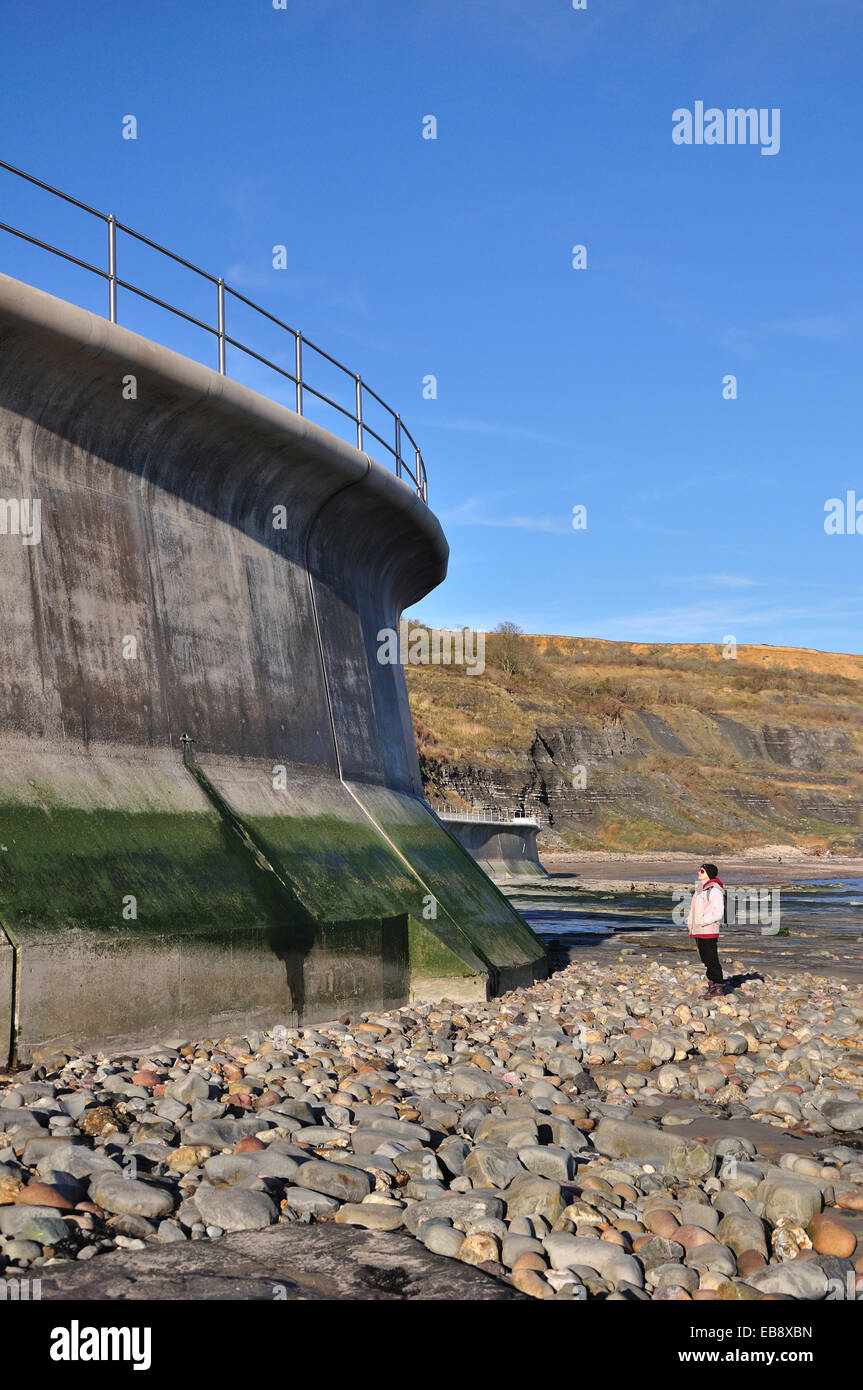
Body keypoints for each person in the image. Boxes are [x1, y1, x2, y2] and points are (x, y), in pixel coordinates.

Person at [688, 862, 725, 998]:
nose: (699, 873)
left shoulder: (714, 890)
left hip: (708, 930)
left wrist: (702, 921)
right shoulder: (700, 889)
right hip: (699, 930)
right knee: (705, 959)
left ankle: (718, 987)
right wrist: (691, 923)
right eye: (699, 870)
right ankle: (712, 985)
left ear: (708, 874)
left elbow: (718, 912)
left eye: (702, 871)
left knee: (711, 959)